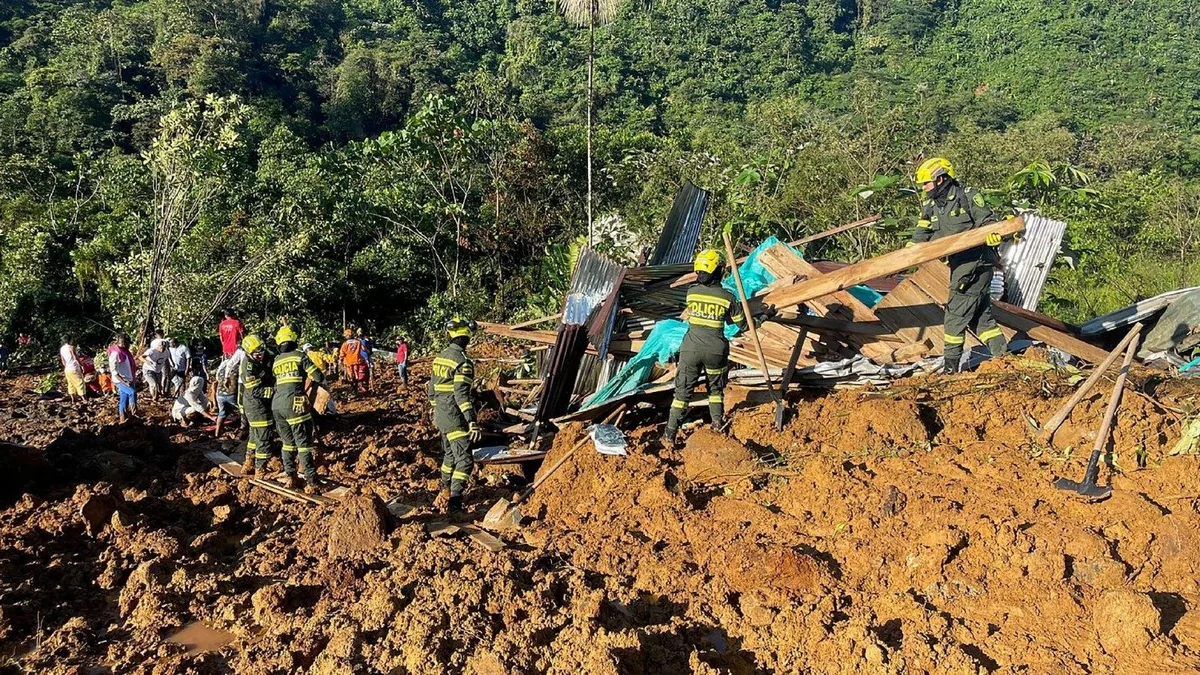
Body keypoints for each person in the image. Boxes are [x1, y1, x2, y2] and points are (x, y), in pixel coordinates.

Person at [911, 157, 1009, 374]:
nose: (924, 188)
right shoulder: (930, 206)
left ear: (941, 179)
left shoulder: (968, 196)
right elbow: (921, 234)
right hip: (957, 264)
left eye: (926, 183)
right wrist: (907, 254)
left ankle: (950, 370)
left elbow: (988, 222)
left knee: (954, 315)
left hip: (977, 263)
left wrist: (993, 235)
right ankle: (1004, 360)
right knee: (980, 319)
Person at [663, 250, 747, 448]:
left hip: (690, 349)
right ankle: (718, 426)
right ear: (719, 271)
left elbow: (696, 312)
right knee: (715, 390)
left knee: (682, 394)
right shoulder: (728, 297)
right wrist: (764, 316)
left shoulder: (691, 293)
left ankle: (669, 435)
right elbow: (741, 324)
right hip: (716, 351)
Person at [428, 317, 480, 514]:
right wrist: (471, 420)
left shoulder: (440, 357)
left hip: (440, 415)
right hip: (454, 416)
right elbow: (461, 395)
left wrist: (437, 409)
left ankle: (444, 488)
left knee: (449, 455)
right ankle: (455, 503)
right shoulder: (463, 362)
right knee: (465, 459)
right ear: (467, 339)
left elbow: (432, 390)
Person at [271, 325, 326, 492]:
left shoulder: (277, 360)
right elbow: (318, 375)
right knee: (303, 444)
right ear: (294, 340)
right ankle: (311, 481)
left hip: (277, 405)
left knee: (287, 444)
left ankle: (290, 477)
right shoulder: (300, 356)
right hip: (295, 405)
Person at [240, 334, 275, 475]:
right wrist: (275, 392)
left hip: (257, 404)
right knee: (263, 435)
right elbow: (256, 390)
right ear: (249, 353)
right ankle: (261, 468)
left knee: (254, 436)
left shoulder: (263, 356)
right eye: (256, 352)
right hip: (256, 405)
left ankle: (248, 462)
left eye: (261, 350)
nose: (260, 354)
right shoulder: (248, 368)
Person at [172, 357, 215, 426]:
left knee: (204, 405)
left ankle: (198, 419)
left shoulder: (198, 391)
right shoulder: (189, 394)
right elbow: (197, 407)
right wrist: (211, 417)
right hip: (179, 411)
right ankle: (184, 420)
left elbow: (204, 400)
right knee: (195, 409)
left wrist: (209, 403)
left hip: (187, 408)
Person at [108, 334, 137, 423]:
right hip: (120, 380)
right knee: (132, 392)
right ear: (124, 343)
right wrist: (124, 382)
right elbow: (114, 371)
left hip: (129, 378)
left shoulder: (125, 352)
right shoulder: (115, 353)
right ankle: (133, 414)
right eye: (128, 343)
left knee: (124, 399)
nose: (129, 345)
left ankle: (122, 419)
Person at [214, 350, 243, 438]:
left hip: (219, 394)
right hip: (232, 394)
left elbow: (216, 380)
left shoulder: (222, 367)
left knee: (222, 413)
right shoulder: (238, 366)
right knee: (244, 411)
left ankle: (217, 433)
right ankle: (243, 432)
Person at [338, 329, 368, 394]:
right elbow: (363, 349)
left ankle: (353, 389)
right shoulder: (358, 342)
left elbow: (342, 354)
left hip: (348, 362)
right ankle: (356, 387)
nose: (345, 337)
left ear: (348, 335)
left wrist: (340, 360)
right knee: (356, 375)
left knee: (351, 376)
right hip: (357, 361)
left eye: (346, 335)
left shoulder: (345, 344)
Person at [59, 339, 85, 404]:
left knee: (71, 384)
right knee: (80, 382)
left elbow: (63, 360)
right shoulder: (71, 347)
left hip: (67, 369)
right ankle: (84, 399)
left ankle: (73, 399)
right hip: (74, 367)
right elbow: (75, 357)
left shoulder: (62, 349)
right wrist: (81, 365)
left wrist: (66, 366)